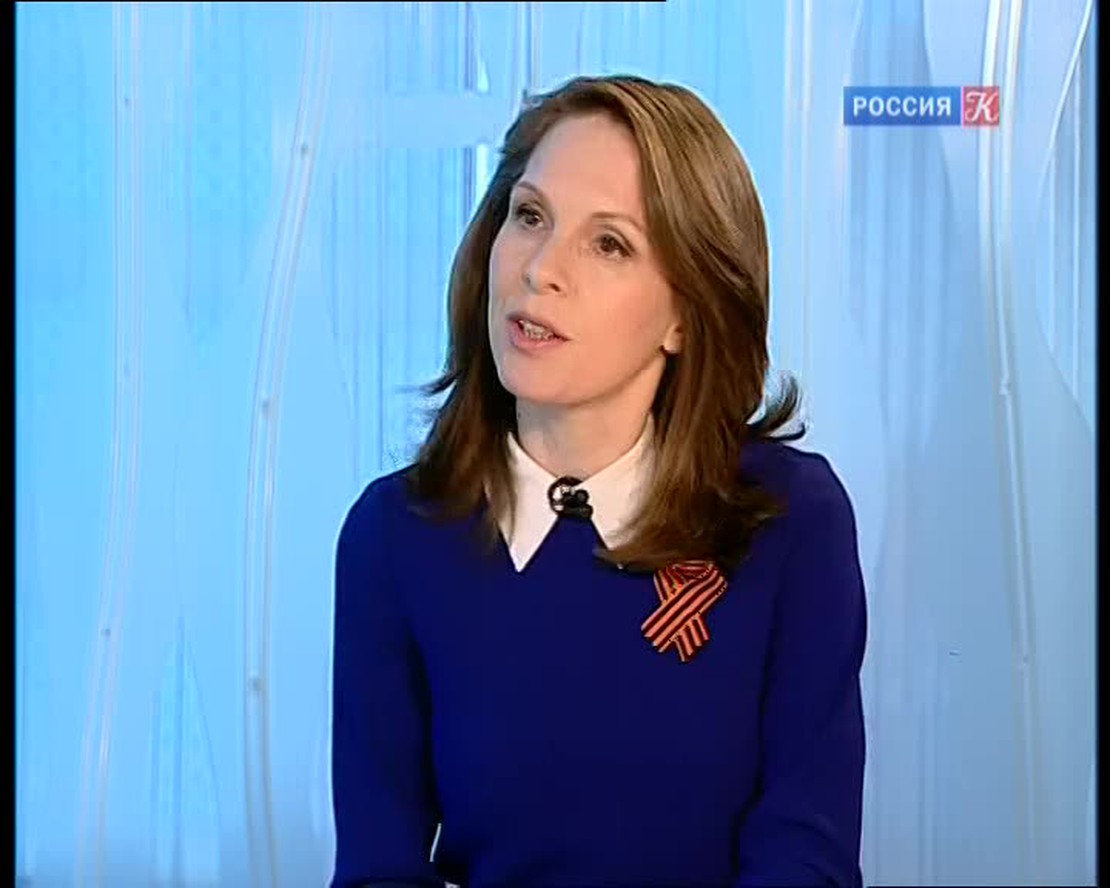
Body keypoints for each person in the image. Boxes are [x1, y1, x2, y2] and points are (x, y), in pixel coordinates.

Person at [331, 74, 867, 888]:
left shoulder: (790, 520)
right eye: (529, 216)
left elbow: (806, 857)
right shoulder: (394, 536)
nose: (542, 269)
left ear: (685, 312)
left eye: (609, 244)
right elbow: (380, 867)